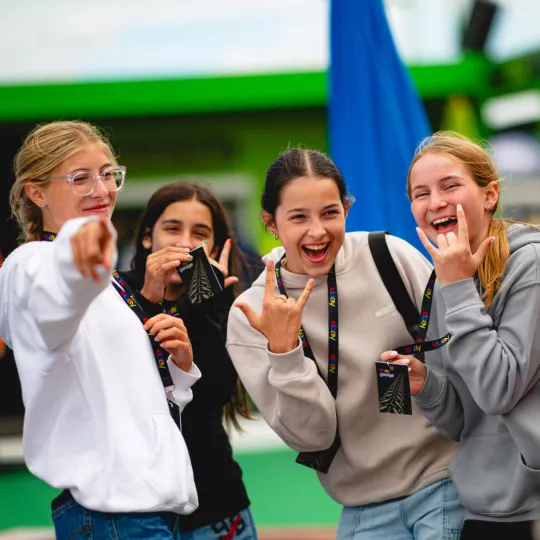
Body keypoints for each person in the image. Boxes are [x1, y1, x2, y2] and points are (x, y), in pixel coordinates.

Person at [226, 148, 465, 539]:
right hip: (361, 507)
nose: (317, 231)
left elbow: (456, 361)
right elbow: (311, 438)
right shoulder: (251, 313)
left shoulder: (389, 256)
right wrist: (286, 353)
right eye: (298, 217)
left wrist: (427, 378)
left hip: (446, 483)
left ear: (347, 209)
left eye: (329, 213)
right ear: (270, 223)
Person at [0, 121, 201, 539]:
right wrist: (79, 258)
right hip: (115, 518)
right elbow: (52, 302)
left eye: (108, 174)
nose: (103, 189)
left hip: (144, 513)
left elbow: (122, 396)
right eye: (80, 178)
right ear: (36, 193)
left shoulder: (109, 283)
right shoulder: (31, 263)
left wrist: (180, 370)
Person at [380, 131, 540, 539]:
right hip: (484, 507)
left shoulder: (531, 264)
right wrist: (425, 384)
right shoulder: (444, 280)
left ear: (490, 195)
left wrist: (457, 288)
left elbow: (497, 390)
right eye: (421, 193)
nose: (435, 202)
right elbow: (462, 421)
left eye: (450, 185)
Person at [120, 181, 258, 539]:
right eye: (172, 228)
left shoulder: (221, 300)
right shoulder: (115, 295)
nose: (184, 241)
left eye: (199, 232)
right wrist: (151, 297)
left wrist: (203, 299)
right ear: (148, 237)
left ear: (214, 246)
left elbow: (213, 395)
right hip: (139, 511)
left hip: (216, 504)